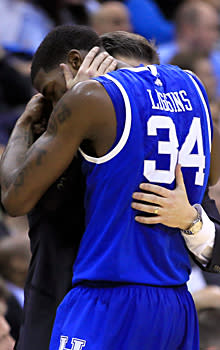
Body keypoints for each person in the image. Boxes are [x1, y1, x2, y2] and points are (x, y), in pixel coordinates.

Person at [0, 25, 213, 349]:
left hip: (104, 300)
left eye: (50, 92)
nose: (51, 102)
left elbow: (14, 199)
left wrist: (27, 123)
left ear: (77, 63)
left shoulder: (92, 103)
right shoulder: (192, 96)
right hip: (171, 306)